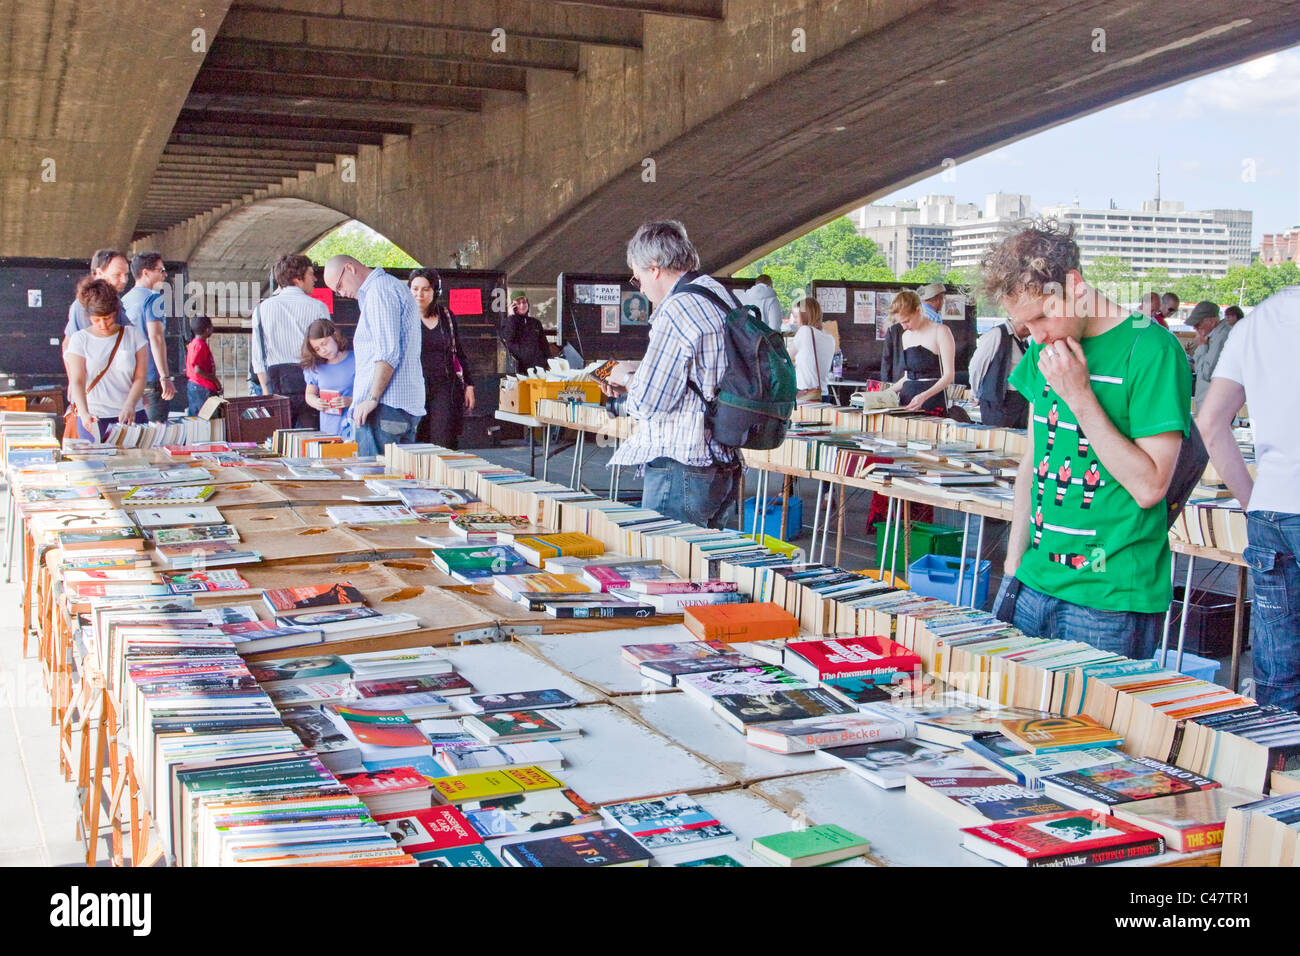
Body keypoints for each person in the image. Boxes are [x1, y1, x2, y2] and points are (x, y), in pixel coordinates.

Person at [986, 219, 1191, 659]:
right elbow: (1034, 460)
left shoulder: (1152, 349)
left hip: (1110, 597)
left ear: (1074, 286)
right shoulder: (1045, 350)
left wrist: (1079, 396)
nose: (1038, 336)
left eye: (1042, 316)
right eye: (1026, 327)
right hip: (1034, 580)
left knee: (1091, 727)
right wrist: (1014, 562)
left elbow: (1151, 485)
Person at [1196, 283, 1300, 712]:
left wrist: (1250, 501)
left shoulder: (1260, 319)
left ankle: (1280, 772)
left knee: (1278, 681)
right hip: (1272, 507)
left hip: (1272, 507)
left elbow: (1210, 421)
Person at [603, 220, 740, 528]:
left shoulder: (677, 309)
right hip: (722, 457)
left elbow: (648, 403)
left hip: (682, 463)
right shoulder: (717, 294)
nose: (641, 288)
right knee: (703, 564)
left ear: (653, 268)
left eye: (637, 279)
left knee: (667, 566)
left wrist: (627, 377)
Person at [322, 255, 425, 456]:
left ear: (350, 268)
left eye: (339, 286)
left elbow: (387, 352)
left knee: (374, 479)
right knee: (396, 480)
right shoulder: (387, 287)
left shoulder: (379, 291)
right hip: (399, 405)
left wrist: (371, 397)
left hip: (385, 406)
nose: (341, 293)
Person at [63, 278, 147, 442]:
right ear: (89, 317)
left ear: (115, 313)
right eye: (97, 319)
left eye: (107, 318)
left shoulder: (133, 335)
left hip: (130, 414)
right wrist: (84, 413)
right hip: (94, 417)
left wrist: (130, 404)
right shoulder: (80, 339)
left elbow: (140, 377)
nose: (103, 324)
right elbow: (77, 381)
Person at [251, 253, 329, 429]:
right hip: (311, 383)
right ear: (297, 278)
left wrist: (265, 391)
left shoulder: (261, 310)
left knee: (279, 440)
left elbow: (258, 358)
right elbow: (327, 351)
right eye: (310, 274)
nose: (315, 279)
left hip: (276, 383)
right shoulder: (318, 308)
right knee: (312, 442)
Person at [409, 268, 475, 448]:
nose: (419, 294)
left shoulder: (446, 316)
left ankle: (444, 475)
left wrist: (469, 385)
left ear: (435, 291)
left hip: (445, 385)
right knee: (417, 440)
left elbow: (458, 352)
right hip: (414, 387)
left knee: (443, 440)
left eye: (425, 289)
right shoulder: (403, 317)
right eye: (415, 289)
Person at [120, 252, 175, 422]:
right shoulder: (153, 299)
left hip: (128, 378)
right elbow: (156, 338)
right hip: (151, 377)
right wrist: (165, 377)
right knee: (155, 434)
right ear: (146, 273)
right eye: (161, 270)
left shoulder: (124, 300)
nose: (164, 275)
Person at [887, 290, 955, 413]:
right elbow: (907, 377)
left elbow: (949, 376)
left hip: (932, 401)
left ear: (918, 310)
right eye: (901, 323)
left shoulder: (941, 331)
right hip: (906, 401)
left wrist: (924, 396)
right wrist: (886, 392)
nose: (904, 326)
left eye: (907, 321)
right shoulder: (905, 336)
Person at [968, 312, 1030, 427]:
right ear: (1024, 324)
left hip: (1021, 404)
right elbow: (976, 366)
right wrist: (975, 392)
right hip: (998, 403)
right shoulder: (996, 334)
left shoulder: (1024, 341)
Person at [301, 319, 356, 438]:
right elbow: (309, 395)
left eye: (324, 343)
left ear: (335, 335)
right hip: (328, 429)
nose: (323, 351)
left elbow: (370, 394)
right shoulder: (315, 367)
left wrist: (350, 401)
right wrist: (316, 402)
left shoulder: (357, 360)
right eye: (317, 349)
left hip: (356, 426)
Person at [64, 248, 129, 340]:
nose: (124, 280)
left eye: (126, 274)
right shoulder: (84, 305)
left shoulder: (114, 298)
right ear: (99, 273)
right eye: (117, 275)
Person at [786, 297, 834, 403]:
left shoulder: (805, 331)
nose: (795, 320)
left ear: (805, 316)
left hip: (805, 394)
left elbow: (787, 357)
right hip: (823, 394)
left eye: (797, 316)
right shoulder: (830, 338)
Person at [1187, 300, 1228, 404]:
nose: (1194, 328)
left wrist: (1202, 346)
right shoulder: (1211, 336)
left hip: (1212, 402)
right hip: (1208, 400)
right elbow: (1198, 366)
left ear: (1212, 322)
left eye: (1198, 324)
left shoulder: (1221, 337)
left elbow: (1206, 373)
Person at [500, 293, 550, 374]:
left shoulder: (535, 322)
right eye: (518, 303)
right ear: (513, 306)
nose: (522, 305)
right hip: (518, 368)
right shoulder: (508, 322)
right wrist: (511, 317)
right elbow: (508, 337)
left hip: (537, 367)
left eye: (524, 302)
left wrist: (547, 361)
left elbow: (544, 344)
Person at [185, 316, 222, 415]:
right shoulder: (200, 345)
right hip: (203, 388)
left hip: (195, 386)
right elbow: (197, 369)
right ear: (207, 329)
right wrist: (214, 380)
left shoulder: (194, 344)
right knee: (208, 418)